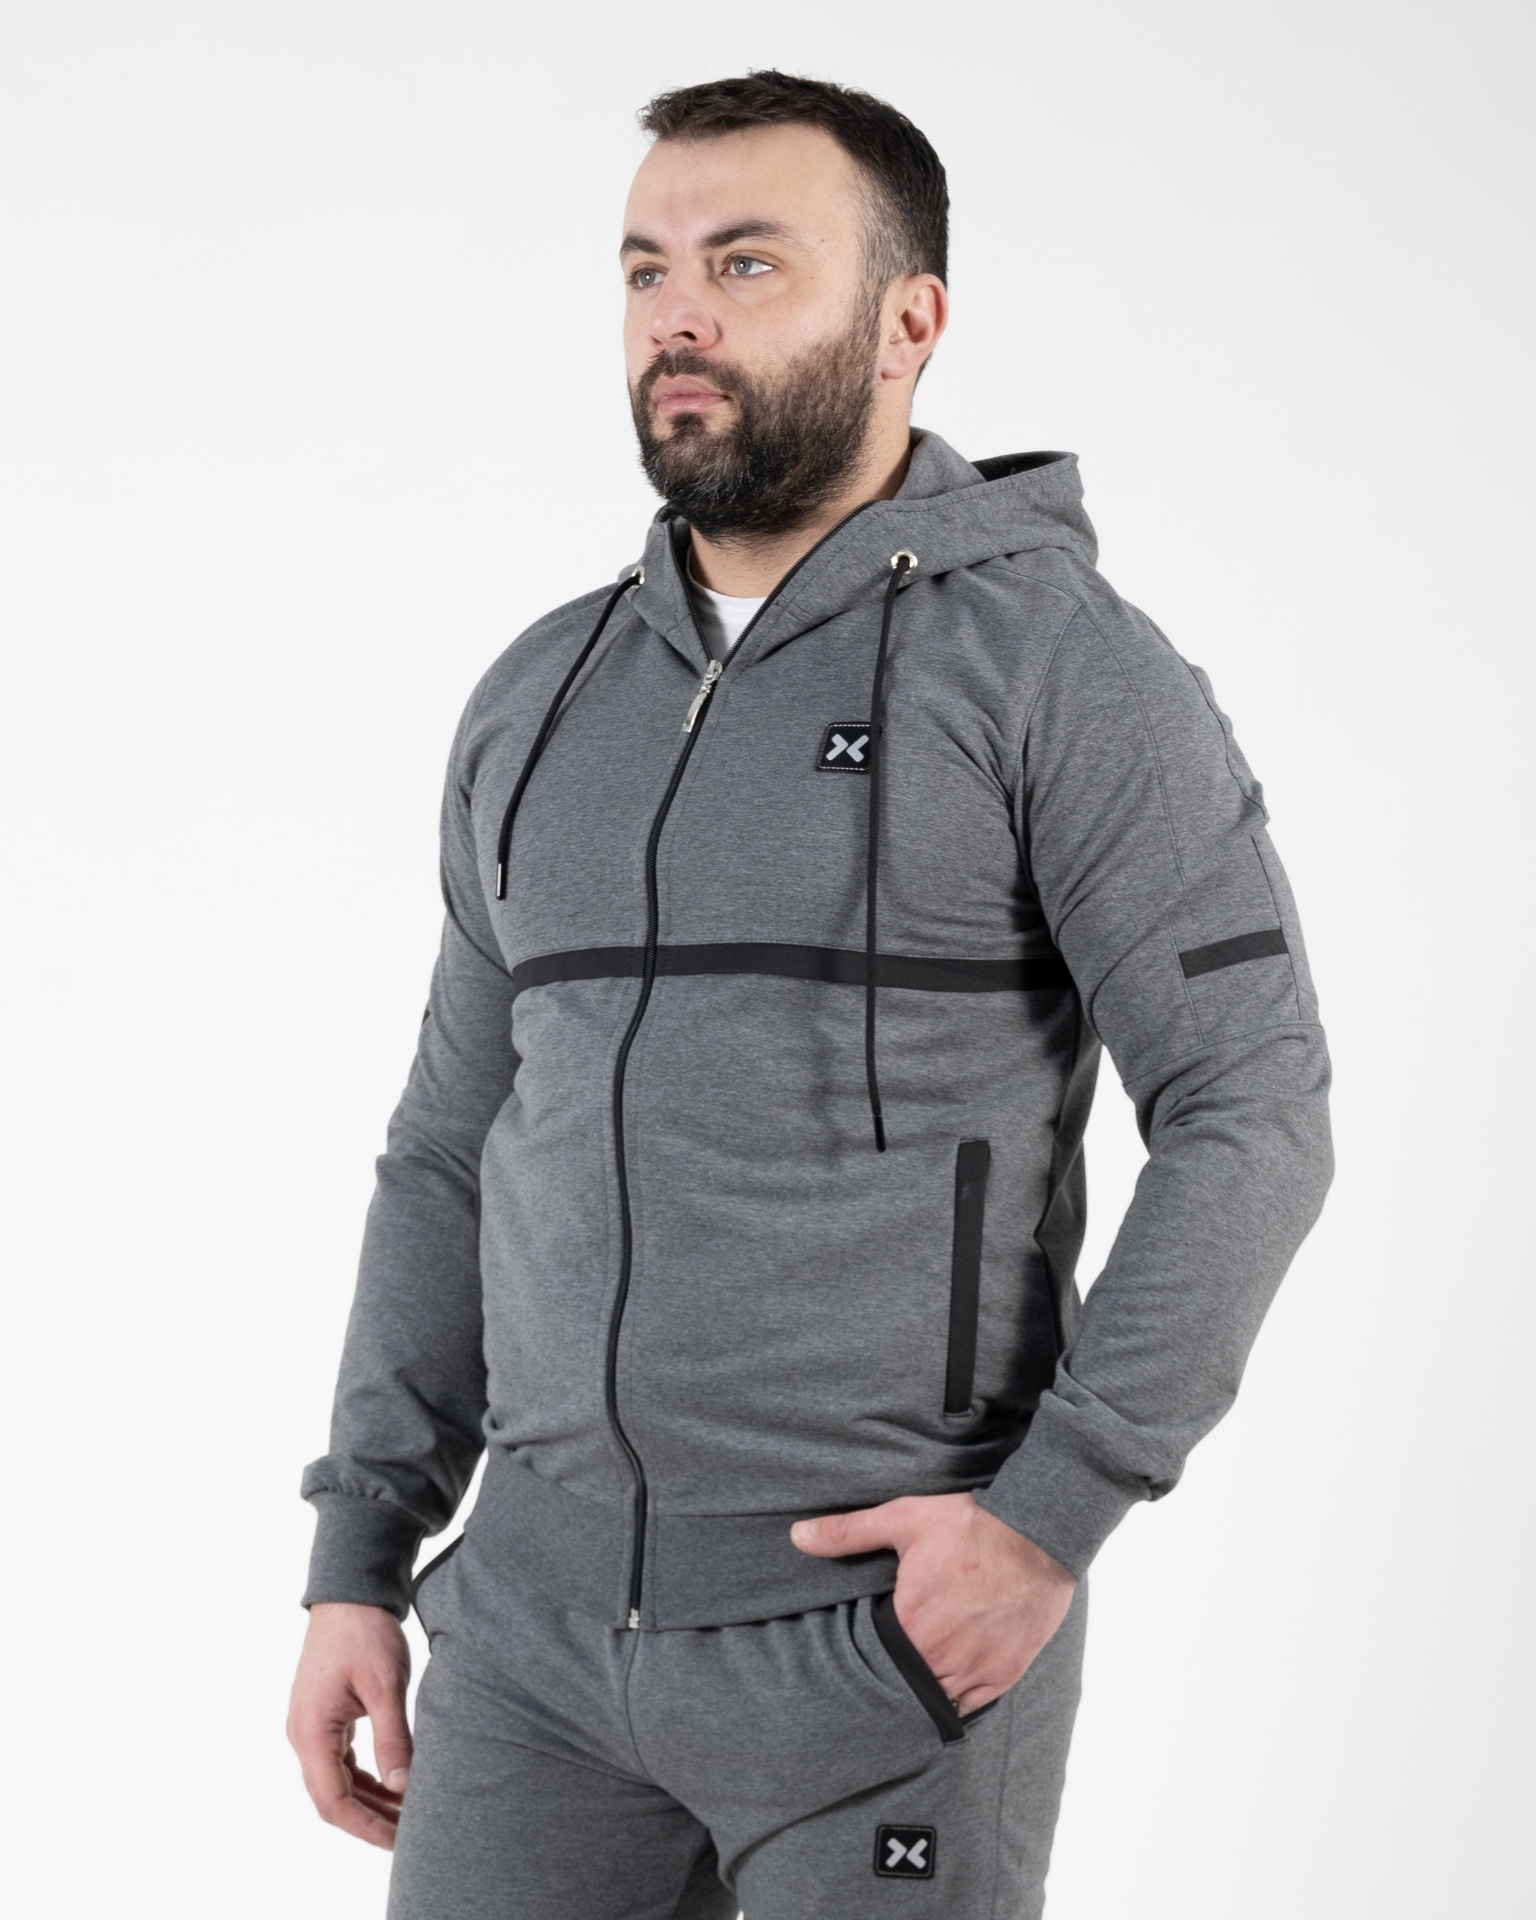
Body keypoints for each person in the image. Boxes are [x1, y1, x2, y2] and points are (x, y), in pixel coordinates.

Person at [287, 70, 1333, 1919]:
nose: (678, 314)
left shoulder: (1063, 671)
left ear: (910, 321)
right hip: (527, 1648)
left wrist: (1051, 1519)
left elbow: (1252, 1106)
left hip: (882, 1645)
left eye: (748, 263)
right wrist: (359, 1554)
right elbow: (452, 1145)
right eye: (647, 269)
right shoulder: (541, 699)